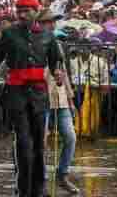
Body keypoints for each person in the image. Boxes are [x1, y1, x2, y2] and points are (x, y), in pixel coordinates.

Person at [0, 0, 63, 197]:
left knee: (38, 143)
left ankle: (39, 189)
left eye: (26, 11)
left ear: (36, 12)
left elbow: (56, 61)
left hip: (38, 95)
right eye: (19, 11)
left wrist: (58, 72)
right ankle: (23, 190)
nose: (22, 14)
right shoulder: (9, 34)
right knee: (24, 142)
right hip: (16, 94)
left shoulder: (48, 36)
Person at [40, 11, 79, 194]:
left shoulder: (58, 46)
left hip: (61, 98)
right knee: (41, 139)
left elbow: (64, 74)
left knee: (70, 137)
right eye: (48, 22)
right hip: (41, 98)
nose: (52, 25)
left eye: (53, 22)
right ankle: (39, 178)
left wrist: (71, 100)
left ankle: (62, 174)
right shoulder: (34, 45)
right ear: (39, 24)